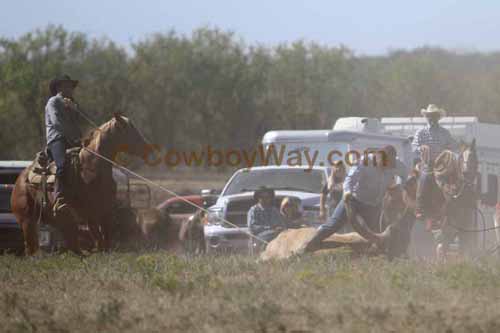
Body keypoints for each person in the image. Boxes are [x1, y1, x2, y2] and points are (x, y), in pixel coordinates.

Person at [298, 145, 407, 253]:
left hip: (373, 205)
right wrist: (347, 194)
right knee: (333, 225)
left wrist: (399, 188)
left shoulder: (397, 165)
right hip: (353, 200)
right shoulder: (365, 161)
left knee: (376, 232)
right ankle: (306, 247)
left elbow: (405, 175)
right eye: (384, 165)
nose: (386, 168)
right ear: (377, 158)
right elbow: (350, 179)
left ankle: (379, 257)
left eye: (389, 165)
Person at [412, 104, 458, 220]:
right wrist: (420, 149)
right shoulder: (420, 132)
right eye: (429, 116)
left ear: (438, 117)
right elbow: (414, 147)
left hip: (442, 164)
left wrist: (448, 154)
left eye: (434, 116)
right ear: (426, 117)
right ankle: (420, 207)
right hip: (426, 163)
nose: (432, 118)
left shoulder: (445, 133)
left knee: (455, 180)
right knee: (425, 177)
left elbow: (452, 146)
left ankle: (453, 205)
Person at [45, 74, 83, 216]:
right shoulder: (53, 102)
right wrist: (73, 137)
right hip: (57, 139)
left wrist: (75, 110)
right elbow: (56, 124)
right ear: (59, 87)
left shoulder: (72, 103)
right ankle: (59, 199)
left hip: (72, 140)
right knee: (62, 164)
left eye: (71, 86)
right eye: (67, 85)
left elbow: (80, 122)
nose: (71, 89)